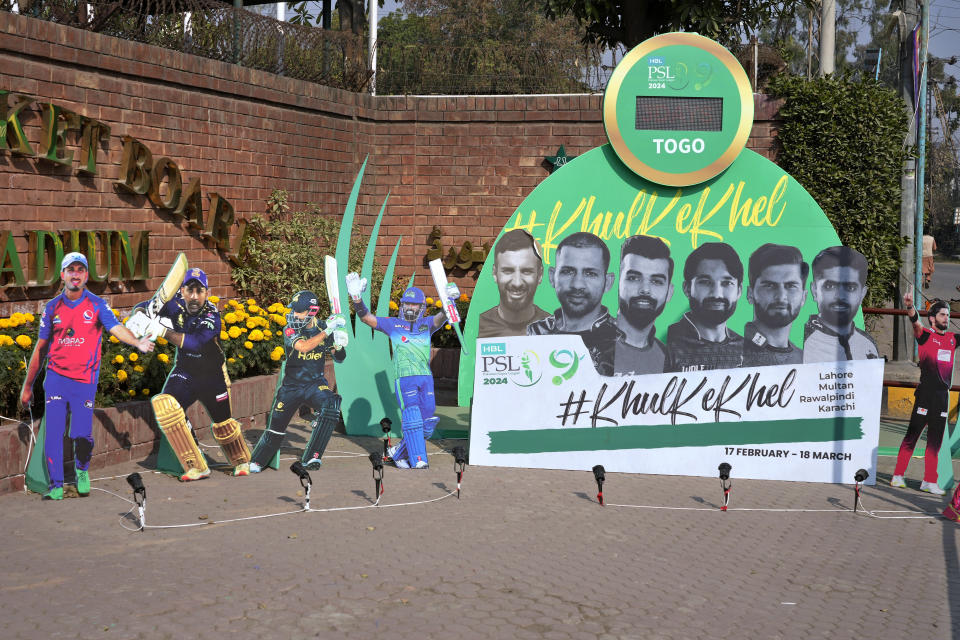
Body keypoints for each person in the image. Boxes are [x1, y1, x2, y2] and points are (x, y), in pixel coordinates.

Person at [20, 252, 153, 500]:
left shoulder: (97, 305)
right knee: (54, 433)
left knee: (82, 435)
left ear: (86, 275)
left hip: (84, 381)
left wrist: (137, 343)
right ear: (62, 275)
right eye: (71, 270)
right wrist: (28, 387)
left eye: (80, 270)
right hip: (57, 378)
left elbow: (115, 327)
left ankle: (82, 469)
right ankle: (56, 485)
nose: (75, 274)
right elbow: (40, 349)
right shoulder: (52, 308)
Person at [136, 267, 251, 480]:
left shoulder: (211, 315)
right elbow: (146, 307)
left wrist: (161, 330)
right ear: (182, 291)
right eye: (190, 290)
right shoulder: (175, 306)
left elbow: (195, 343)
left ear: (207, 292)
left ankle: (241, 460)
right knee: (166, 405)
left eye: (200, 291)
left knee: (224, 424)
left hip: (212, 376)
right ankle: (196, 465)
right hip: (185, 372)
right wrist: (140, 316)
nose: (195, 296)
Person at [346, 274, 458, 468]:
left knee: (428, 419)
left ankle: (397, 452)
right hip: (405, 378)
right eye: (407, 304)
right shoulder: (393, 324)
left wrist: (450, 301)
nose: (410, 308)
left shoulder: (427, 324)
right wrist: (357, 298)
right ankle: (418, 460)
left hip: (426, 378)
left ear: (421, 307)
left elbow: (443, 316)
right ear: (402, 305)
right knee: (413, 415)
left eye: (414, 305)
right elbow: (366, 318)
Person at [249, 290, 347, 473]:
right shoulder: (290, 329)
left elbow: (340, 358)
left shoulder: (324, 327)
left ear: (312, 311)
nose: (294, 314)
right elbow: (303, 346)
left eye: (298, 311)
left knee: (332, 403)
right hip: (291, 386)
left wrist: (339, 342)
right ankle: (259, 460)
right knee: (275, 428)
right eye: (293, 310)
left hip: (315, 384)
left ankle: (312, 457)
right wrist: (328, 332)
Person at [527, 232, 619, 376]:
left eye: (590, 273)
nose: (577, 284)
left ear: (607, 282)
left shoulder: (623, 341)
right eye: (568, 271)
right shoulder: (534, 334)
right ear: (552, 277)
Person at [890, 295, 956, 495]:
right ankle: (897, 476)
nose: (946, 318)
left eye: (948, 315)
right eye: (942, 315)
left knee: (935, 440)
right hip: (925, 395)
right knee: (913, 435)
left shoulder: (953, 339)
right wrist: (910, 307)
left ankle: (929, 480)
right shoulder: (925, 335)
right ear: (933, 318)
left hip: (942, 397)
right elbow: (915, 322)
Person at [665, 242, 744, 372]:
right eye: (705, 282)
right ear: (687, 288)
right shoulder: (664, 344)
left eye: (726, 283)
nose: (716, 293)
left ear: (739, 291)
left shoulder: (747, 350)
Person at [802, 246, 879, 362]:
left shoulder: (868, 344)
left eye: (850, 287)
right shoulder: (799, 343)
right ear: (814, 291)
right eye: (830, 286)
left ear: (862, 294)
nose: (840, 296)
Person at [614, 235, 672, 375]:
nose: (645, 289)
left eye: (656, 281)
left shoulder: (669, 361)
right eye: (633, 278)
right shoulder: (588, 345)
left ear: (669, 292)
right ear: (618, 283)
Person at [742, 244, 807, 367]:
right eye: (769, 285)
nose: (781, 296)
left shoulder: (805, 361)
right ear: (750, 294)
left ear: (804, 297)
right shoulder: (729, 353)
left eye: (791, 286)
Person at [478, 229, 550, 338]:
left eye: (526, 271)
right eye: (508, 271)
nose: (517, 283)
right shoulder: (478, 325)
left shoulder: (553, 329)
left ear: (540, 275)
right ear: (494, 273)